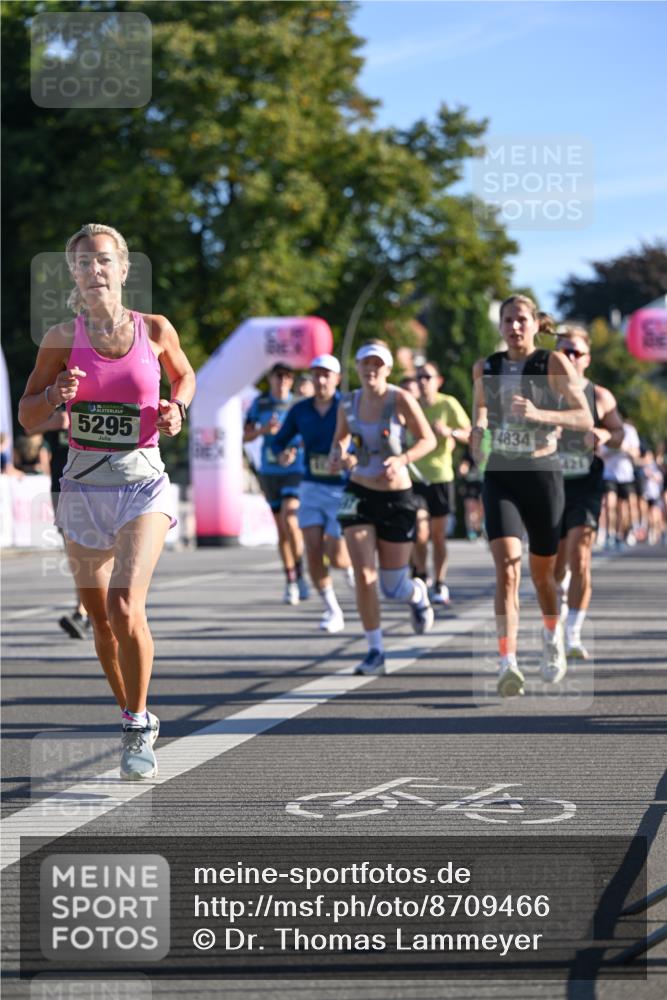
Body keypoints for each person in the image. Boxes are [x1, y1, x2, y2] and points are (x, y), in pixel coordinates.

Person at [19, 222, 195, 780]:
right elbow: (28, 415)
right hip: (81, 488)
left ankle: (138, 724)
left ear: (123, 270)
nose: (94, 271)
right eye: (83, 263)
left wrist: (177, 408)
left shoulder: (156, 328)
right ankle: (129, 708)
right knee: (99, 621)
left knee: (124, 606)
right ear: (73, 273)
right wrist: (54, 395)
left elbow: (184, 375)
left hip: (143, 484)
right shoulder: (58, 338)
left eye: (104, 261)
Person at [471, 295, 593, 697]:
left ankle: (552, 635)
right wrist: (477, 436)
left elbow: (582, 417)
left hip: (541, 473)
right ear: (500, 325)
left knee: (543, 576)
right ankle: (507, 661)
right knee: (507, 567)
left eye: (521, 319)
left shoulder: (551, 364)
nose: (514, 327)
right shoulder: (486, 367)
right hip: (502, 474)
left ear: (534, 323)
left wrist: (541, 415)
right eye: (508, 320)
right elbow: (481, 417)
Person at [329, 340, 436, 675]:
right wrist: (338, 456)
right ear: (358, 368)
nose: (371, 370)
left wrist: (402, 458)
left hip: (396, 496)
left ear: (387, 370)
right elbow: (340, 440)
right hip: (359, 491)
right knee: (363, 574)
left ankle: (416, 593)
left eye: (378, 365)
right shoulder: (349, 403)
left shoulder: (399, 399)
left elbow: (427, 439)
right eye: (365, 364)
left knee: (393, 587)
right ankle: (375, 650)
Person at [552, 327, 624, 660]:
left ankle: (573, 633)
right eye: (564, 351)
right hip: (549, 483)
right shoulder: (541, 393)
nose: (569, 358)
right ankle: (559, 604)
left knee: (580, 552)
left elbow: (619, 431)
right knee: (554, 565)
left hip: (585, 484)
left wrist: (603, 435)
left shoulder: (600, 396)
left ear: (587, 359)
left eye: (576, 353)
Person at [270, 354, 353, 633]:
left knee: (337, 553)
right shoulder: (300, 409)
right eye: (316, 374)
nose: (320, 380)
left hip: (343, 487)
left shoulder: (348, 406)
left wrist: (349, 458)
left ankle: (350, 567)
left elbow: (364, 441)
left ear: (337, 379)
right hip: (311, 485)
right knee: (314, 548)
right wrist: (283, 453)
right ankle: (332, 609)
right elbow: (279, 440)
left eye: (326, 374)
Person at [243, 363, 309, 605]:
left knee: (290, 520)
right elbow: (245, 435)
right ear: (270, 379)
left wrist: (292, 449)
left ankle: (301, 573)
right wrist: (263, 430)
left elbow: (309, 435)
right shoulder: (260, 404)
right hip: (269, 472)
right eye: (278, 376)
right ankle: (291, 579)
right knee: (282, 529)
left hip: (295, 469)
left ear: (292, 381)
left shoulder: (298, 405)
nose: (282, 380)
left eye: (287, 377)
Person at [30, 406, 93, 638]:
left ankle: (89, 609)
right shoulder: (54, 404)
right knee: (75, 550)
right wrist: (53, 422)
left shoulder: (97, 399)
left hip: (95, 482)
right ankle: (84, 610)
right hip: (61, 488)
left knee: (97, 550)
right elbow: (28, 427)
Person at [411, 361, 471, 604]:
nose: (423, 381)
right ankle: (421, 575)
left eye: (427, 377)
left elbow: (470, 434)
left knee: (438, 537)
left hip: (441, 477)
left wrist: (450, 432)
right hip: (415, 476)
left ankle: (440, 582)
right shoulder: (411, 406)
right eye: (419, 377)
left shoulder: (448, 404)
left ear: (438, 380)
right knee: (419, 532)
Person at [600, 420, 641, 548]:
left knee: (624, 508)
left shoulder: (629, 431)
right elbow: (599, 452)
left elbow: (636, 453)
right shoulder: (605, 429)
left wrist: (624, 447)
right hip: (609, 475)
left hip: (625, 476)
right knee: (610, 505)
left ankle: (622, 533)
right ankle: (610, 534)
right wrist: (610, 450)